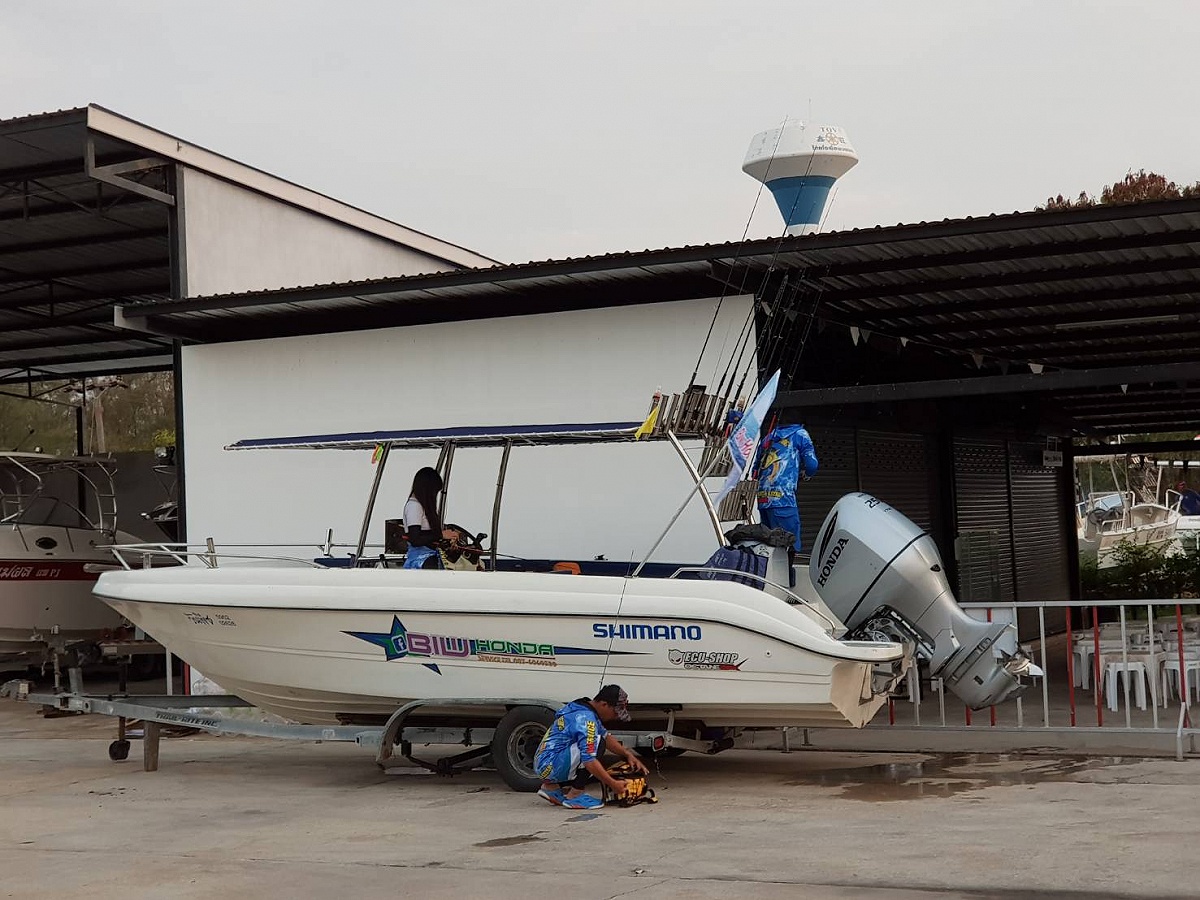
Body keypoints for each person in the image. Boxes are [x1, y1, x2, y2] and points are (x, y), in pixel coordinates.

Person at [534, 684, 648, 809]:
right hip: (551, 764)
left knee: (599, 747)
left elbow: (606, 736)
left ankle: (551, 788)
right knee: (597, 746)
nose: (615, 717)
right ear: (604, 704)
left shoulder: (583, 708)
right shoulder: (586, 719)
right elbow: (589, 760)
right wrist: (613, 784)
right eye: (615, 713)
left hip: (546, 763)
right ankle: (575, 795)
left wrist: (627, 754)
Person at [756, 423, 819, 552]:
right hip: (783, 499)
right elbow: (812, 465)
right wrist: (807, 474)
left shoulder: (768, 437)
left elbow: (755, 470)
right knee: (789, 543)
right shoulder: (800, 434)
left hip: (763, 499)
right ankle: (786, 572)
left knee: (769, 545)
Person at [402, 467, 460, 569]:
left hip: (432, 555)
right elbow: (415, 539)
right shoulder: (414, 506)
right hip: (420, 559)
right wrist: (440, 535)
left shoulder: (422, 506)